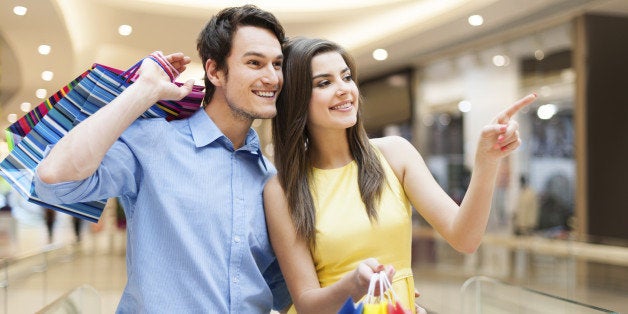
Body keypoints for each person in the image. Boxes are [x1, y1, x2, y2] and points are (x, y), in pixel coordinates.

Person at [33, 5, 290, 313]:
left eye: (277, 64)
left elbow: (277, 287)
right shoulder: (155, 141)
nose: (272, 77)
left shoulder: (269, 176)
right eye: (254, 63)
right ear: (214, 71)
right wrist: (144, 91)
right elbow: (54, 178)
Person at [263, 37, 537, 313]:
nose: (344, 89)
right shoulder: (282, 189)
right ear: (296, 100)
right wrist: (352, 284)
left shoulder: (394, 154)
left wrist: (486, 162)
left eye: (346, 77)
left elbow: (464, 238)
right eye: (324, 83)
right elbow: (307, 304)